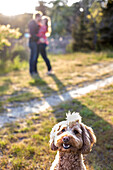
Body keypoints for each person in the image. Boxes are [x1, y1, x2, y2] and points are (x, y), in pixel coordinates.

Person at [28, 11, 42, 77]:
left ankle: (35, 71)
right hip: (32, 42)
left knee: (36, 57)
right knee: (33, 57)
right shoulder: (32, 23)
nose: (40, 18)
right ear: (37, 17)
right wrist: (39, 38)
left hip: (36, 42)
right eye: (40, 17)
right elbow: (32, 34)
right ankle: (32, 71)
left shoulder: (38, 24)